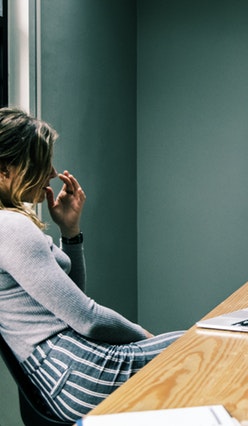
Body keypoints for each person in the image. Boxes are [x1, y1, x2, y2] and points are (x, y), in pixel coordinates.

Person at [0, 108, 184, 421]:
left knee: (200, 350)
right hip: (78, 372)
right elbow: (87, 317)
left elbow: (69, 303)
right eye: (41, 162)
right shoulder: (11, 227)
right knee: (204, 347)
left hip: (67, 376)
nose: (52, 172)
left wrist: (70, 232)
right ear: (4, 170)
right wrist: (147, 337)